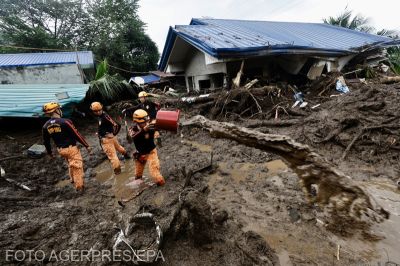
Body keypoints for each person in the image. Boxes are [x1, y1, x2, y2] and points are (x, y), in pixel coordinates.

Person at [42, 102, 91, 191]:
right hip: (71, 148)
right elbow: (77, 134)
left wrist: (49, 153)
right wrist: (86, 145)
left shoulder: (46, 126)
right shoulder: (65, 122)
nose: (60, 111)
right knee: (77, 167)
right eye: (59, 109)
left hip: (61, 150)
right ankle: (79, 187)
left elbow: (46, 141)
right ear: (56, 111)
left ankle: (72, 179)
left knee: (70, 163)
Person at [90, 102, 130, 175]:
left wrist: (114, 134)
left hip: (107, 139)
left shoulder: (104, 116)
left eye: (99, 110)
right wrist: (100, 133)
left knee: (113, 157)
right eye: (96, 111)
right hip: (110, 138)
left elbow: (117, 125)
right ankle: (127, 157)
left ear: (101, 109)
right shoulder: (101, 116)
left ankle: (118, 174)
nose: (98, 112)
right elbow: (103, 126)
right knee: (119, 148)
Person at [128, 109, 165, 186]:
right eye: (143, 122)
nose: (146, 123)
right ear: (136, 122)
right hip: (140, 154)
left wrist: (157, 129)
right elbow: (132, 137)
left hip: (151, 152)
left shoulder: (151, 126)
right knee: (138, 176)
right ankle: (140, 186)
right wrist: (143, 130)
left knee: (157, 177)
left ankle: (162, 187)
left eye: (147, 121)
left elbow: (160, 127)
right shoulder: (132, 129)